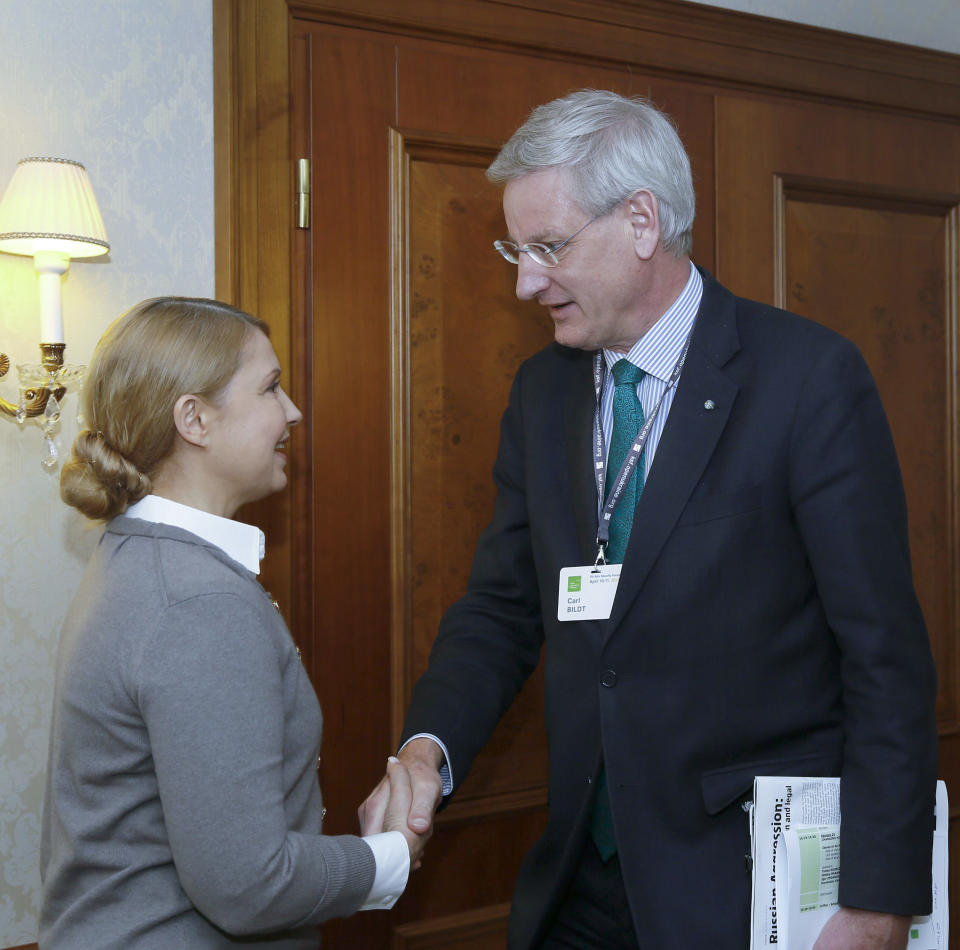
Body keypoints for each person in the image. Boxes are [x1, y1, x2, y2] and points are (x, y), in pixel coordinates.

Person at [359, 90, 938, 950]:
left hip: (742, 886)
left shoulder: (806, 380)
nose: (524, 281)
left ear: (640, 221)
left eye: (547, 247)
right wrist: (425, 751)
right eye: (514, 250)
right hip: (579, 883)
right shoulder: (542, 391)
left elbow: (883, 656)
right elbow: (503, 607)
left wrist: (880, 897)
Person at [40, 297, 426, 949]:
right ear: (194, 418)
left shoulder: (140, 559)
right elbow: (250, 886)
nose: (293, 412)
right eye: (271, 387)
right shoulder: (198, 603)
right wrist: (392, 855)